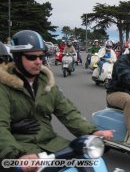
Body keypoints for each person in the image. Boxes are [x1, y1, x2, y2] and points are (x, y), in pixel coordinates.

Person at [0, 30, 113, 172]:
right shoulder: (3, 87)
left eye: (41, 56)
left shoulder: (46, 84)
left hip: (52, 145)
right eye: (31, 57)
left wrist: (92, 131)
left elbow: (68, 112)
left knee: (92, 161)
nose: (38, 61)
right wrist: (18, 155)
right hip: (20, 151)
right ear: (16, 57)